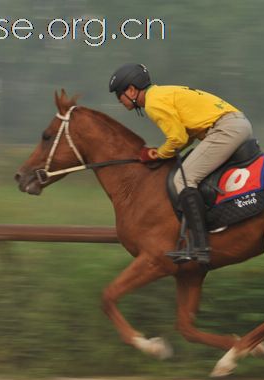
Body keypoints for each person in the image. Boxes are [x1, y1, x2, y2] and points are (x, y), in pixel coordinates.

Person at [108, 63, 253, 265]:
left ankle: (200, 245)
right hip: (235, 124)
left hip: (226, 128)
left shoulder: (153, 103)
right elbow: (185, 138)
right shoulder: (162, 94)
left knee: (183, 180)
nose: (119, 100)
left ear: (131, 90)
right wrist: (160, 153)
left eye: (119, 94)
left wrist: (158, 154)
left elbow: (176, 138)